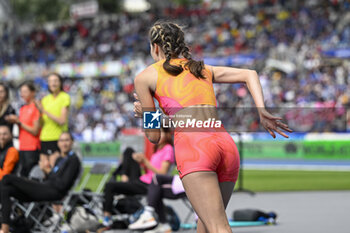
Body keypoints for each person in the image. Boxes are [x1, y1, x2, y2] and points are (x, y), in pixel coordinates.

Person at [133, 21, 292, 233]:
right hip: (225, 145)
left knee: (218, 227)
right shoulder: (203, 69)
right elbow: (249, 74)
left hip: (194, 148)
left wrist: (146, 112)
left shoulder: (145, 77)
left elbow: (154, 137)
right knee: (206, 225)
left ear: (155, 47)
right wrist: (261, 110)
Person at [0, 132, 81, 233]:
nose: (64, 143)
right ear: (58, 143)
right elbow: (52, 178)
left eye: (67, 140)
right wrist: (46, 174)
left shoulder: (73, 160)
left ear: (72, 142)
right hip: (45, 187)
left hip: (53, 192)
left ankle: (5, 228)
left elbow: (62, 185)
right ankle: (5, 227)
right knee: (6, 189)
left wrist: (48, 172)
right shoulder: (60, 159)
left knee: (7, 178)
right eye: (61, 140)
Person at [100, 127, 174, 230]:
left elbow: (162, 173)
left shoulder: (168, 149)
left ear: (167, 135)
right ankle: (124, 179)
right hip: (142, 180)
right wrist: (141, 162)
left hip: (150, 185)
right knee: (129, 152)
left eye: (161, 133)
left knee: (110, 186)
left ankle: (107, 217)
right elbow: (150, 171)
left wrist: (145, 161)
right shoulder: (157, 150)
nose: (158, 135)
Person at [5, 81, 41, 177]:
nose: (22, 95)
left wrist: (18, 122)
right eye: (21, 92)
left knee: (30, 176)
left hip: (32, 147)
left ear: (33, 92)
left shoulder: (36, 107)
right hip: (22, 146)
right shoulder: (23, 108)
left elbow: (35, 130)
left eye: (25, 92)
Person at [35, 73, 70, 168]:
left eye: (55, 81)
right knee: (43, 167)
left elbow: (62, 120)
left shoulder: (64, 97)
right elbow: (41, 123)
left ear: (60, 83)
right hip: (44, 138)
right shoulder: (45, 99)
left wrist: (44, 111)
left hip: (58, 138)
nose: (53, 84)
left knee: (54, 169)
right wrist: (38, 113)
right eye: (50, 81)